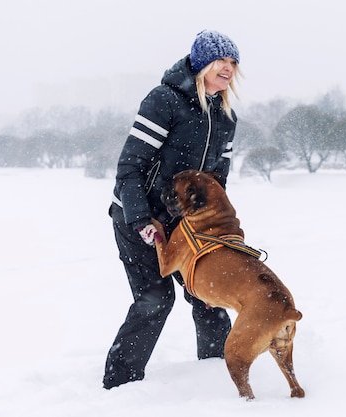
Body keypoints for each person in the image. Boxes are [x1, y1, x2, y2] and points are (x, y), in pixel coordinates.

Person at [103, 30, 242, 390]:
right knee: (155, 299)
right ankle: (120, 385)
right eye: (220, 61)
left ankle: (216, 372)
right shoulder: (164, 101)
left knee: (207, 293)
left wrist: (217, 226)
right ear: (201, 64)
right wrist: (140, 220)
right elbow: (130, 167)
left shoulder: (225, 117)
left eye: (232, 63)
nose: (227, 68)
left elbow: (216, 181)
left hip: (186, 225)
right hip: (138, 217)